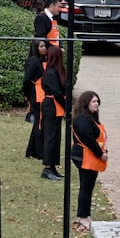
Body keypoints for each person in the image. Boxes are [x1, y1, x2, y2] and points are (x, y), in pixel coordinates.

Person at [71, 90, 108, 231]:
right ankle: (82, 217)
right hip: (84, 156)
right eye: (93, 101)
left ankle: (86, 214)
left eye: (97, 101)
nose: (96, 104)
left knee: (89, 186)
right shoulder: (82, 120)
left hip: (91, 156)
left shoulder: (92, 118)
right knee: (85, 187)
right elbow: (89, 140)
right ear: (86, 103)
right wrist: (101, 154)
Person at [40, 46, 66, 180]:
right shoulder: (50, 73)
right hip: (51, 106)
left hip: (55, 107)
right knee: (50, 137)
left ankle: (53, 166)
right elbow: (56, 93)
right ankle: (47, 168)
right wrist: (66, 105)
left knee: (56, 137)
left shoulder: (55, 71)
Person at [23, 39, 48, 160]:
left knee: (39, 122)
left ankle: (32, 150)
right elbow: (26, 80)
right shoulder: (34, 61)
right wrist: (27, 94)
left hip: (40, 94)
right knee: (39, 123)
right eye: (41, 46)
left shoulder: (42, 60)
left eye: (45, 46)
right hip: (36, 94)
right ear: (36, 47)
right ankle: (39, 151)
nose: (44, 48)